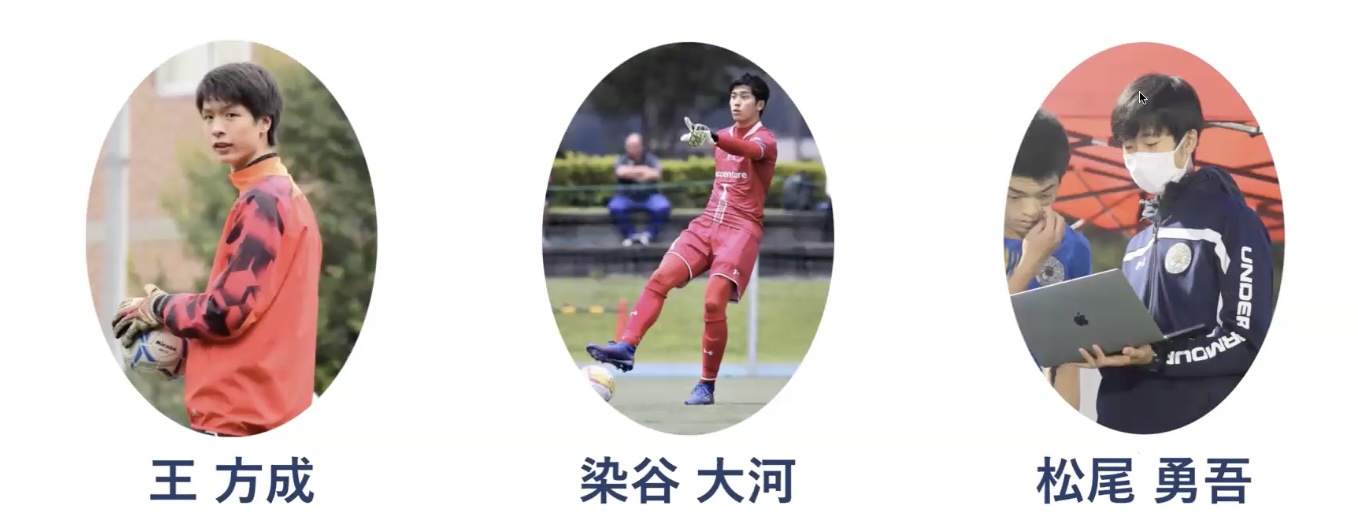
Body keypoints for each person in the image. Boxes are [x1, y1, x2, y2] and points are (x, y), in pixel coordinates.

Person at [111, 62, 323, 437]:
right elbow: (259, 320)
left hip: (240, 419)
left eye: (231, 115)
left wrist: (158, 307)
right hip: (263, 410)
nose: (216, 128)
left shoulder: (263, 201)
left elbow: (226, 312)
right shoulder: (284, 197)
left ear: (265, 122)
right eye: (208, 116)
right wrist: (193, 351)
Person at [1075, 73, 1275, 435]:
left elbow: (1246, 339)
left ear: (1189, 140)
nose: (1138, 157)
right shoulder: (1136, 245)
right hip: (1121, 425)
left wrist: (1160, 356)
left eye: (1151, 143)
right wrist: (1106, 351)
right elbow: (1133, 341)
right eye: (1129, 147)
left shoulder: (1231, 222)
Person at [586, 73, 778, 405]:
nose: (736, 102)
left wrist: (714, 138)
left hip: (741, 230)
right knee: (660, 277)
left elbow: (748, 148)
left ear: (760, 104)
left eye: (745, 97)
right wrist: (716, 138)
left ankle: (706, 385)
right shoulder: (723, 138)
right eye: (733, 96)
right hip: (707, 224)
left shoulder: (765, 141)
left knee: (713, 302)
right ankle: (626, 346)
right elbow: (728, 146)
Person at [1005, 109, 1091, 410]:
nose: (1030, 210)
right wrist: (1030, 262)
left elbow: (1066, 358)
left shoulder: (1073, 248)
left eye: (1045, 195)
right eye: (1014, 196)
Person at [607, 133, 671, 246]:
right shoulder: (622, 159)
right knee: (615, 207)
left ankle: (648, 235)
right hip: (625, 196)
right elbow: (620, 172)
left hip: (649, 196)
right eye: (629, 146)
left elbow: (656, 174)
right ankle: (630, 235)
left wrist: (631, 173)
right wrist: (643, 170)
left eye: (634, 146)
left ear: (641, 146)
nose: (631, 148)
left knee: (663, 206)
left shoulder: (651, 159)